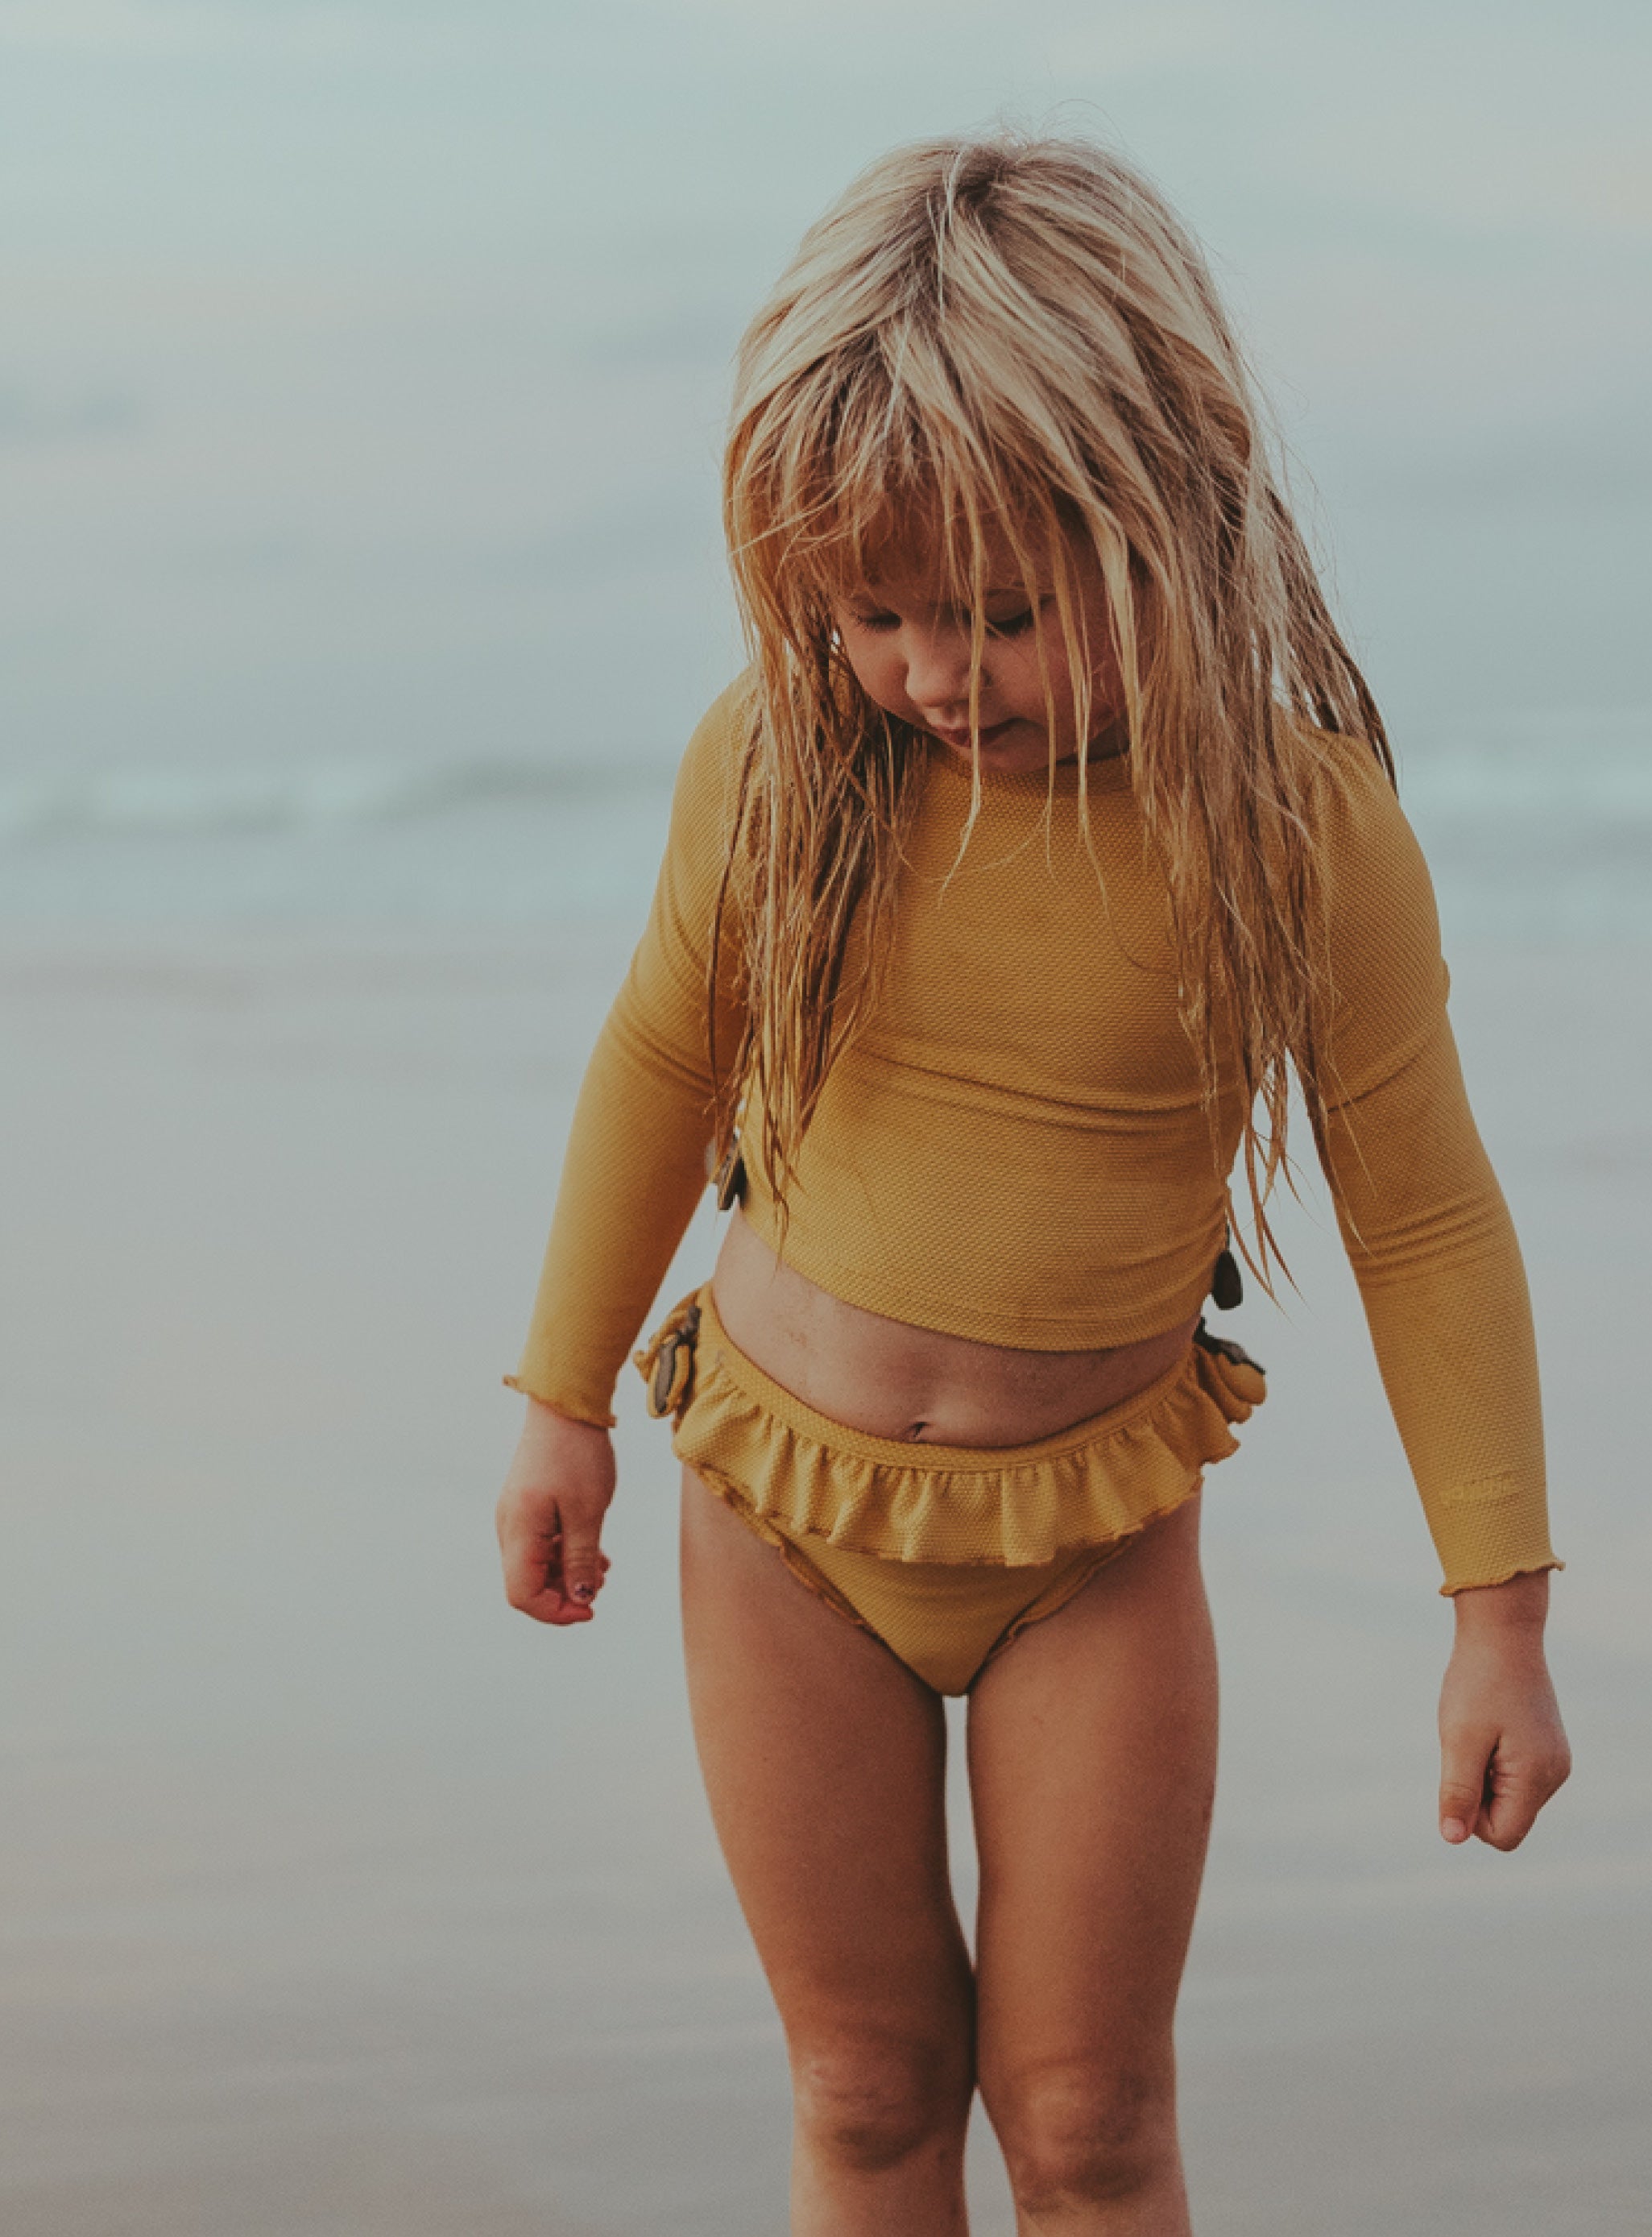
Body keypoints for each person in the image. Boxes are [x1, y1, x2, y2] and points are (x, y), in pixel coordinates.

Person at [495, 131, 1570, 2236]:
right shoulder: (783, 763)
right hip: (779, 1518)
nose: (931, 670)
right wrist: (560, 1400)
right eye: (874, 611)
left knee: (1088, 2119)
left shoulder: (1292, 827)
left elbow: (1426, 1216)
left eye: (997, 611)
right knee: (866, 2085)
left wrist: (1498, 1618)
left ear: (1169, 505)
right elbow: (658, 1057)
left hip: (1091, 1548)